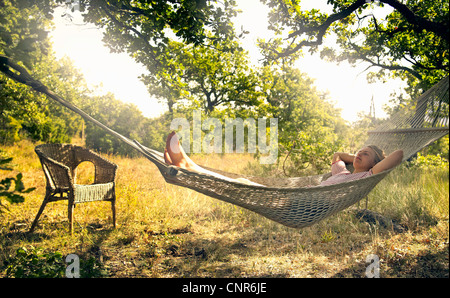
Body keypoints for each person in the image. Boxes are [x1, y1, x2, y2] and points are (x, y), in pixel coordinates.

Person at [163, 131, 404, 187]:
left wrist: (368, 163)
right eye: (359, 150)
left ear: (374, 164)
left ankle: (187, 165)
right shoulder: (340, 174)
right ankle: (187, 165)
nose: (360, 153)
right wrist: (355, 156)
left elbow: (399, 155)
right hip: (302, 199)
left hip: (305, 205)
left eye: (366, 154)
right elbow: (337, 156)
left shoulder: (365, 177)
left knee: (244, 184)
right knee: (245, 181)